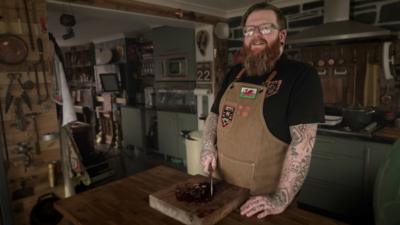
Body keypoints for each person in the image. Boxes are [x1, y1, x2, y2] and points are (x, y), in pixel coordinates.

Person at [200, 2, 324, 219]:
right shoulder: (234, 73)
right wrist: (208, 146)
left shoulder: (301, 76)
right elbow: (214, 115)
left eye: (266, 28)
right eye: (249, 30)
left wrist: (281, 198)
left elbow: (302, 145)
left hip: (262, 205)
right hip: (221, 192)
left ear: (282, 36)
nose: (255, 35)